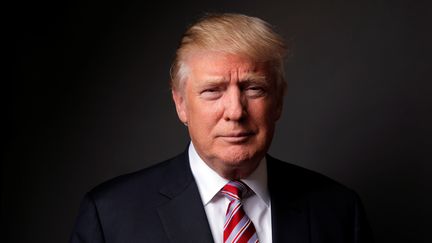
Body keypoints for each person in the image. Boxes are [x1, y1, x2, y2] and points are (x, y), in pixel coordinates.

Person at [70, 13, 373, 243]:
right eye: (213, 90)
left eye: (254, 89)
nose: (235, 111)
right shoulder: (110, 217)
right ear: (181, 105)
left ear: (278, 102)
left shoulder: (339, 211)